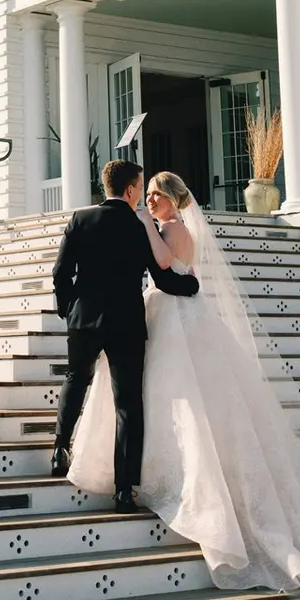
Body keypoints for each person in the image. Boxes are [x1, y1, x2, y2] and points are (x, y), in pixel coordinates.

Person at [66, 169, 300, 598]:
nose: (152, 202)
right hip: (157, 313)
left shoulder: (172, 229)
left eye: (158, 197)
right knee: (148, 397)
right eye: (149, 195)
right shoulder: (157, 226)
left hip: (176, 315)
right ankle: (130, 472)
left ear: (174, 201)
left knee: (171, 398)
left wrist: (144, 226)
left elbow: (161, 265)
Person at [50, 159, 201, 512]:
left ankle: (60, 448)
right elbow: (162, 279)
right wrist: (190, 285)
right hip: (127, 323)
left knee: (75, 379)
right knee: (128, 405)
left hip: (83, 319)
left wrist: (68, 308)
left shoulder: (80, 219)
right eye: (141, 187)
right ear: (132, 189)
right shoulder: (138, 227)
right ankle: (123, 489)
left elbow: (61, 273)